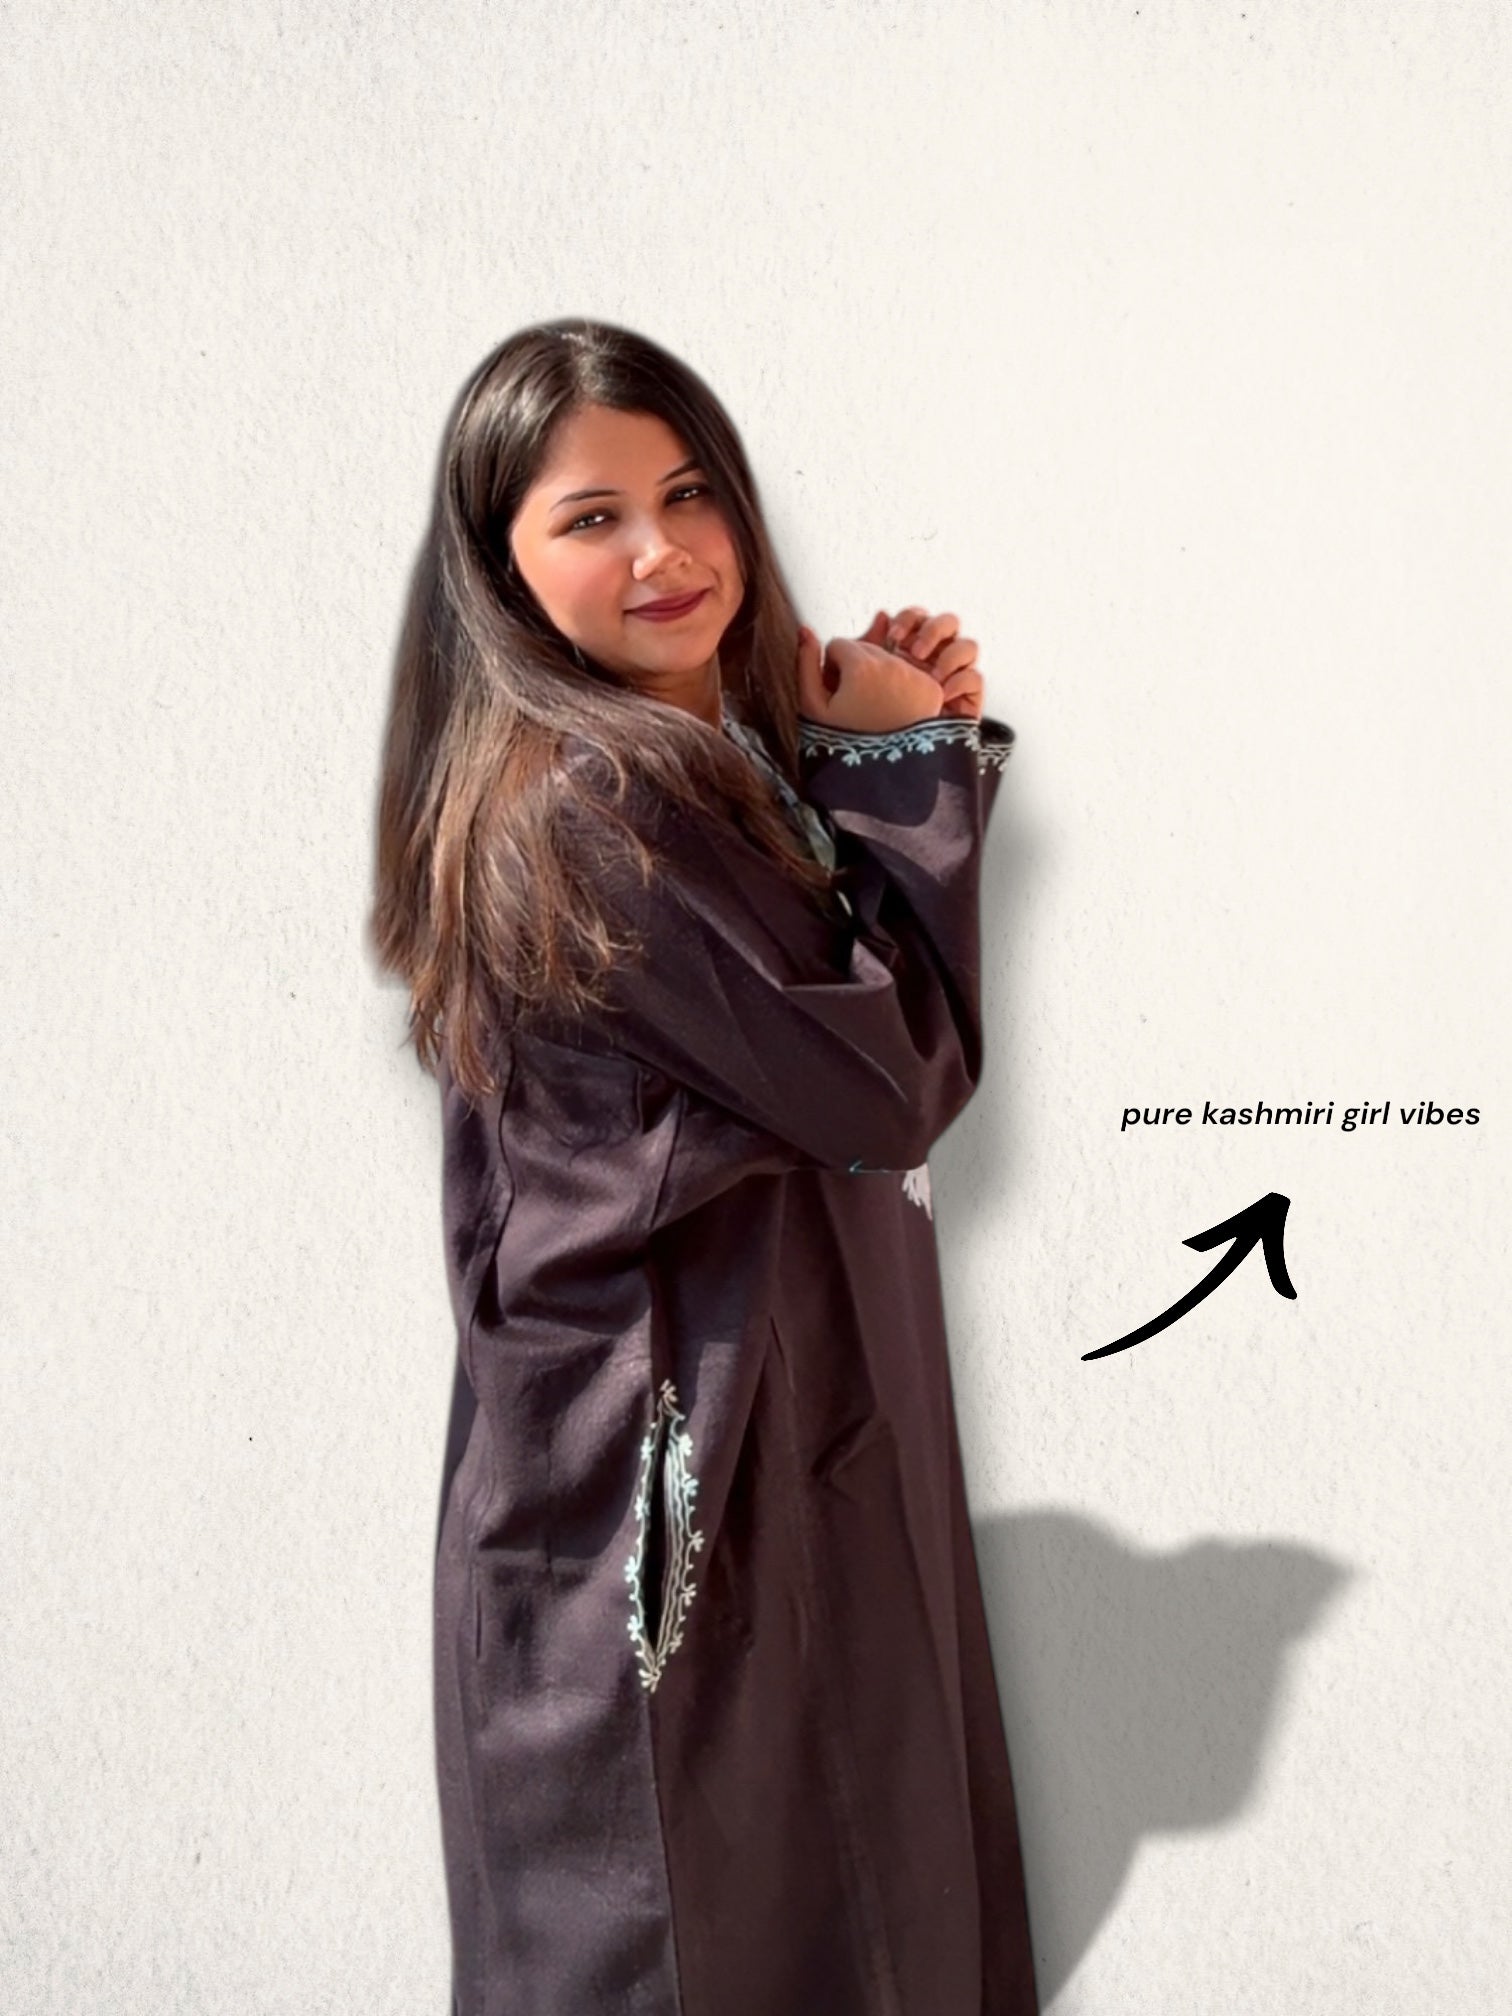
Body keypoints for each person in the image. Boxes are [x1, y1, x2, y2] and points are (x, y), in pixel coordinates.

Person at [370, 318, 1039, 2016]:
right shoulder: (584, 807)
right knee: (705, 1937)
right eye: (591, 517)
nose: (663, 551)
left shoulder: (691, 771)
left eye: (689, 494)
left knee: (831, 1914)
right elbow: (883, 1082)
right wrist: (898, 769)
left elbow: (827, 1032)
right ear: (502, 567)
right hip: (676, 1490)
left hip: (765, 1443)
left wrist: (863, 752)